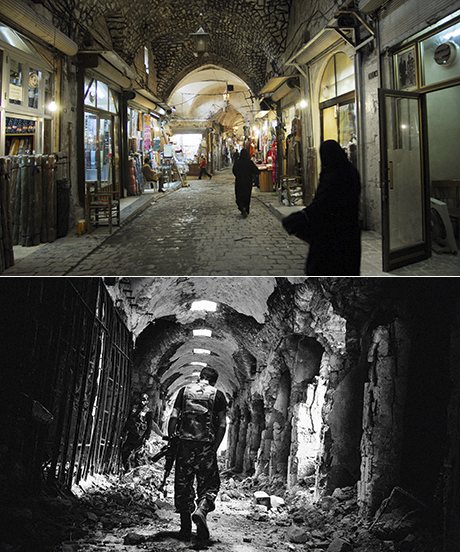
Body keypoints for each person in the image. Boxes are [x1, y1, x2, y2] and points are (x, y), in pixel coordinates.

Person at [282, 139, 361, 275]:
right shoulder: (350, 172)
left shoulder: (332, 177)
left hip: (332, 237)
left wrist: (300, 218)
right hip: (350, 234)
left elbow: (322, 205)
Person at [168, 367, 227, 542]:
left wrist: (173, 439)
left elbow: (174, 415)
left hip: (184, 447)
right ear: (214, 381)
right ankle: (201, 510)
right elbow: (223, 424)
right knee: (209, 485)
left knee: (183, 486)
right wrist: (214, 447)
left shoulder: (184, 391)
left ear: (200, 377)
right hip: (206, 447)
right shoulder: (218, 395)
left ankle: (185, 529)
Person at [121, 393, 154, 471]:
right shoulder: (134, 409)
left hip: (140, 436)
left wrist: (147, 436)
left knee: (138, 455)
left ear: (147, 401)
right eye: (141, 399)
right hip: (132, 434)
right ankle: (127, 469)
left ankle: (136, 474)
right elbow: (129, 420)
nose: (142, 402)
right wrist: (125, 431)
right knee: (125, 451)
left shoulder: (148, 412)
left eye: (144, 400)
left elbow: (150, 425)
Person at [233, 148, 259, 218]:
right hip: (248, 182)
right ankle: (246, 209)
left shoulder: (237, 162)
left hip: (239, 182)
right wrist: (252, 176)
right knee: (247, 196)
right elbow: (256, 171)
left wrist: (238, 176)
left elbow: (234, 170)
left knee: (239, 195)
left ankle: (241, 207)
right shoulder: (249, 162)